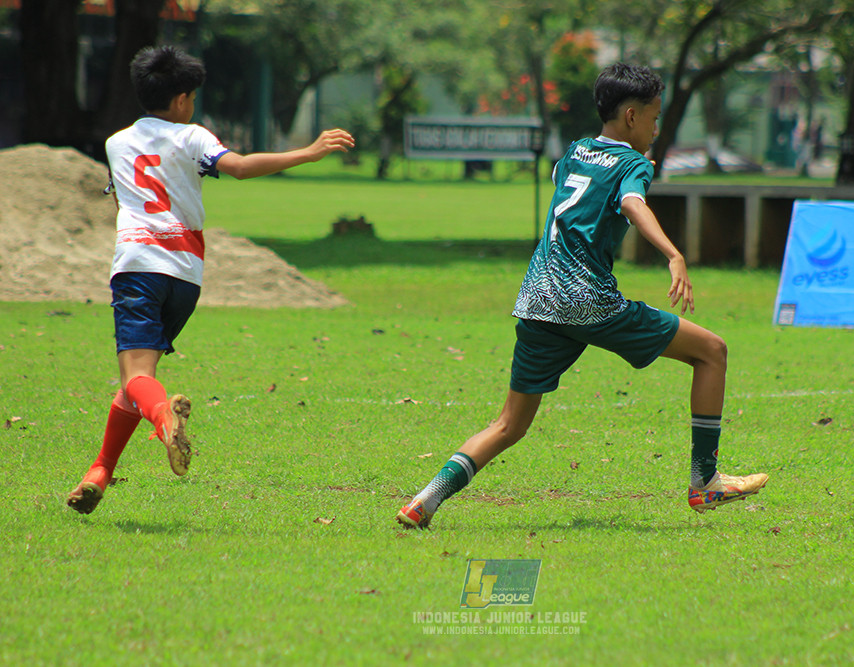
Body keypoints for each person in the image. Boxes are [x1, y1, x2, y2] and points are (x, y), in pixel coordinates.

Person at [396, 63, 767, 529]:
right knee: (712, 351)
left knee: (509, 425)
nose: (657, 128)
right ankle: (705, 480)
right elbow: (632, 203)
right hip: (588, 301)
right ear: (631, 117)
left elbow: (570, 183)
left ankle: (424, 501)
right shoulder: (633, 164)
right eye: (654, 118)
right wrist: (673, 253)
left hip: (538, 297)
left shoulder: (575, 151)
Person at [67, 45, 354, 514]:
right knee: (135, 382)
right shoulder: (193, 136)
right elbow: (238, 168)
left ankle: (165, 418)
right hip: (185, 277)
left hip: (139, 267)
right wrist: (311, 151)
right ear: (182, 99)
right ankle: (99, 471)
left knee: (140, 378)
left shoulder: (116, 143)